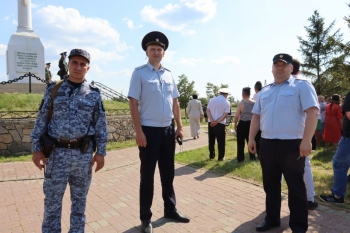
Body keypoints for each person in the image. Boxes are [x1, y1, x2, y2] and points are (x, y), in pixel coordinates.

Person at [30, 49, 108, 232]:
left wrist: (101, 153)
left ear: (87, 68)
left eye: (83, 64)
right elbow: (41, 120)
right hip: (56, 155)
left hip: (83, 156)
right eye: (75, 63)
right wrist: (36, 149)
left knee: (79, 205)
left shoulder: (94, 94)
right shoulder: (53, 89)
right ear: (68, 64)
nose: (78, 67)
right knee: (52, 205)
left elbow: (100, 125)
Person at [248, 53, 318, 233]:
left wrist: (306, 140)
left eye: (283, 65)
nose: (279, 68)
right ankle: (272, 219)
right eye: (276, 65)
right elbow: (256, 116)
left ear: (291, 68)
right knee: (270, 185)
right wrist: (251, 138)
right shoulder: (266, 90)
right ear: (272, 68)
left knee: (295, 188)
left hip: (292, 144)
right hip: (268, 144)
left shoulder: (301, 86)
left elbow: (312, 112)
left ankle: (299, 226)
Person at [127, 31, 190, 233]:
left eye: (159, 49)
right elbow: (133, 103)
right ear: (146, 51)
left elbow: (175, 102)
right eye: (152, 49)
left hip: (168, 131)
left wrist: (179, 126)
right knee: (147, 176)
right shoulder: (139, 73)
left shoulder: (169, 74)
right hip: (148, 131)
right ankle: (146, 218)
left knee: (168, 174)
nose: (156, 51)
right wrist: (139, 131)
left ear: (164, 53)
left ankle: (170, 209)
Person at [291, 58, 318, 210]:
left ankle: (275, 198)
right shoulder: (304, 84)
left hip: (282, 136)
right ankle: (309, 199)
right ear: (298, 70)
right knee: (305, 167)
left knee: (279, 168)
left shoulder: (283, 86)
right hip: (301, 134)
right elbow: (313, 114)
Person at [319, 90, 350, 204]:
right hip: (339, 129)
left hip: (347, 136)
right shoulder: (333, 106)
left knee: (339, 163)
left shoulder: (330, 106)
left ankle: (337, 195)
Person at [206, 88, 230, 161]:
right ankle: (221, 157)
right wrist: (217, 121)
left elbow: (207, 111)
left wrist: (212, 120)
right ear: (226, 94)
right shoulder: (226, 102)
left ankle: (211, 155)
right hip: (220, 123)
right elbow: (225, 115)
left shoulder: (211, 100)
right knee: (221, 141)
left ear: (220, 93)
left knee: (211, 140)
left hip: (211, 123)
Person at [233, 87, 256, 162]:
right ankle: (252, 157)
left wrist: (235, 125)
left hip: (242, 124)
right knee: (251, 140)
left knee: (240, 142)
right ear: (249, 94)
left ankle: (240, 158)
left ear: (243, 94)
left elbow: (236, 116)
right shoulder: (254, 103)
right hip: (252, 123)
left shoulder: (241, 103)